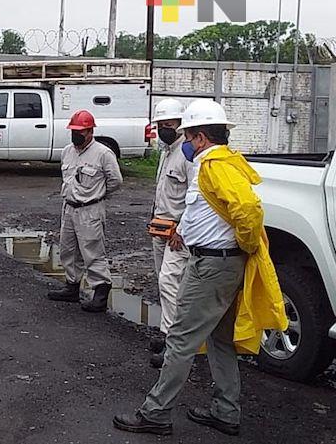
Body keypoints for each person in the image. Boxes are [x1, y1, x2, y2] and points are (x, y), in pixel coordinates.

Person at [113, 100, 288, 437]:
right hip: (218, 263)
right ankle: (226, 411)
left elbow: (248, 209)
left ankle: (156, 413)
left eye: (189, 137)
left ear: (202, 137)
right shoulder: (219, 164)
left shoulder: (215, 166)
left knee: (180, 339)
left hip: (212, 266)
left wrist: (248, 244)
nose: (187, 145)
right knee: (220, 339)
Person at [47, 110, 123, 312]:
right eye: (73, 131)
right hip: (69, 208)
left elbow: (115, 181)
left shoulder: (103, 153)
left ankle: (100, 290)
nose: (75, 135)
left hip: (90, 209)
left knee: (93, 251)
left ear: (90, 131)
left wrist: (97, 195)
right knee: (67, 249)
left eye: (80, 131)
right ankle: (72, 286)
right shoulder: (67, 151)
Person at [147, 99, 191, 368]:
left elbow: (195, 198)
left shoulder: (187, 154)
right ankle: (168, 334)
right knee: (163, 283)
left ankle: (173, 344)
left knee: (170, 283)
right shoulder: (166, 151)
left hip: (178, 233)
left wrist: (182, 231)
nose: (164, 129)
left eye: (169, 124)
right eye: (161, 125)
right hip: (160, 228)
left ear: (180, 124)